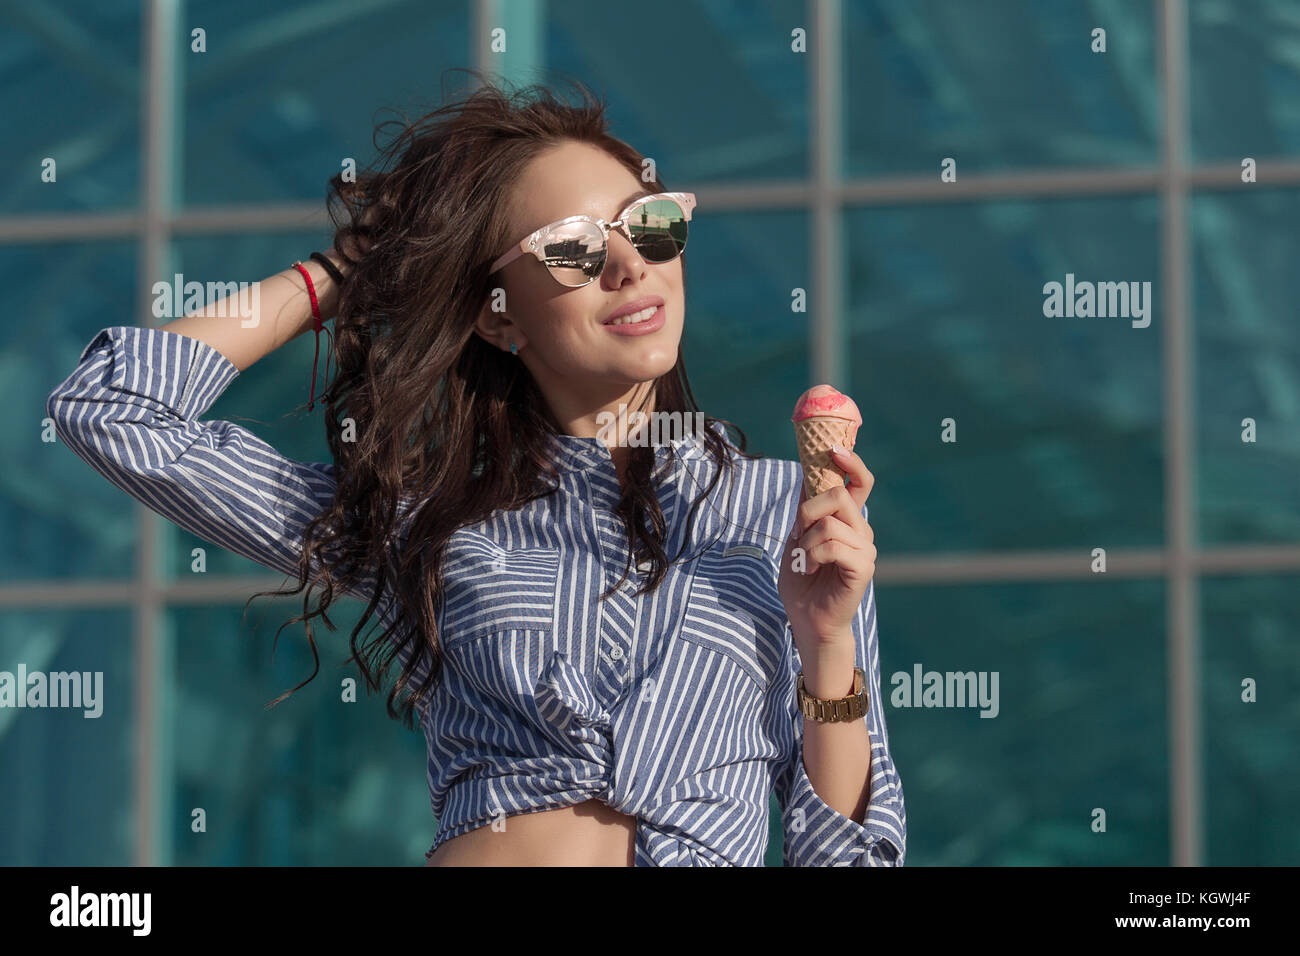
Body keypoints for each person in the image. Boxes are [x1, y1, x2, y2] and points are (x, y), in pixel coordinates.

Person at [45, 74, 906, 866]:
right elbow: (113, 411)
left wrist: (828, 647)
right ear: (500, 319)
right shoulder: (424, 521)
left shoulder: (787, 514)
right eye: (570, 249)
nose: (629, 263)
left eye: (650, 223)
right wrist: (340, 274)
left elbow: (849, 856)